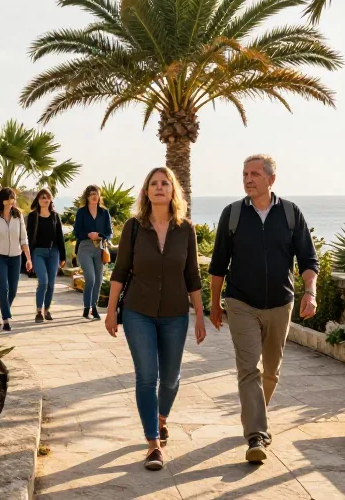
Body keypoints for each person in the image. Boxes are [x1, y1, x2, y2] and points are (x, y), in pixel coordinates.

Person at [208, 154, 318, 464]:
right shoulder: (232, 214)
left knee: (271, 371)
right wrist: (214, 303)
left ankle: (254, 414)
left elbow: (308, 260)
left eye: (255, 174)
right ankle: (256, 434)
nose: (248, 179)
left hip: (281, 303)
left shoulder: (291, 214)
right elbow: (218, 264)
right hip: (241, 302)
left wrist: (310, 293)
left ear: (271, 179)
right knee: (249, 369)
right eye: (245, 174)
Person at [104, 167, 205, 471]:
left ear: (173, 191)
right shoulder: (134, 227)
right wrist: (111, 310)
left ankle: (161, 418)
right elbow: (120, 271)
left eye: (165, 183)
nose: (159, 187)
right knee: (147, 376)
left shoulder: (186, 229)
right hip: (138, 311)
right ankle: (153, 444)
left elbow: (192, 275)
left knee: (171, 378)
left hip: (175, 313)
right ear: (146, 191)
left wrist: (200, 315)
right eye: (154, 183)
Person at [0, 188, 33, 332]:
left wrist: (28, 259)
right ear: (3, 200)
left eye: (14, 198)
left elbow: (23, 238)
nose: (13, 200)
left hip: (16, 257)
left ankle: (5, 311)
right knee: (3, 287)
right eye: (11, 197)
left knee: (13, 290)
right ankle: (6, 319)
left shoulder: (18, 215)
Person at [73, 185, 113, 320]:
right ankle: (86, 308)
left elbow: (109, 232)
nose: (94, 196)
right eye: (91, 194)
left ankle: (93, 307)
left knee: (99, 279)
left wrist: (101, 235)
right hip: (85, 247)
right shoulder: (81, 212)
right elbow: (77, 232)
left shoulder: (104, 212)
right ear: (87, 197)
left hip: (99, 248)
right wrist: (88, 235)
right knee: (90, 278)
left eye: (96, 194)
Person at [27, 188, 66, 323]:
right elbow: (28, 237)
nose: (45, 199)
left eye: (48, 197)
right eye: (42, 197)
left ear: (51, 200)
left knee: (51, 284)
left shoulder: (55, 216)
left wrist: (63, 256)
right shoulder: (33, 216)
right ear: (38, 200)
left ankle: (47, 310)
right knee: (43, 281)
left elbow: (60, 237)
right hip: (38, 253)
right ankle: (39, 311)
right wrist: (28, 257)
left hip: (53, 253)